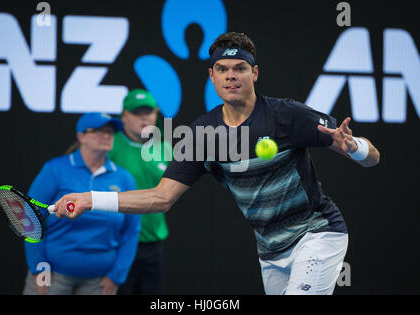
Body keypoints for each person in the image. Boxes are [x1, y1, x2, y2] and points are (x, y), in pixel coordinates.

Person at [53, 32, 380, 295]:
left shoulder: (287, 115)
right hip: (271, 252)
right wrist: (89, 199)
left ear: (254, 73)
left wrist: (355, 148)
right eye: (222, 69)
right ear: (212, 76)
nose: (231, 76)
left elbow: (372, 158)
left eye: (239, 69)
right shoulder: (202, 135)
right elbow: (160, 198)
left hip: (318, 234)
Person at [23, 112, 140, 295]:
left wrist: (117, 275)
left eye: (110, 131)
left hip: (99, 282)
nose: (106, 135)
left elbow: (132, 231)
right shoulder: (55, 169)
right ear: (81, 136)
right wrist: (39, 268)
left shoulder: (124, 178)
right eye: (98, 131)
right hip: (52, 277)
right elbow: (29, 219)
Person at [109, 89, 172, 295]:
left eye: (149, 112)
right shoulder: (108, 145)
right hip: (116, 243)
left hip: (153, 245)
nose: (144, 118)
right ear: (124, 116)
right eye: (137, 113)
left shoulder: (165, 148)